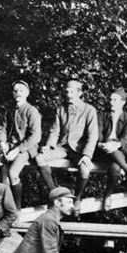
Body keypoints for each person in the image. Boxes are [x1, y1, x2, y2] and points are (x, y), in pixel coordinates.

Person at [35, 79, 99, 213]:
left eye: (71, 91)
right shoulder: (61, 108)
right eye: (66, 91)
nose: (68, 94)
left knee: (85, 170)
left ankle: (78, 197)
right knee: (40, 158)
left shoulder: (89, 110)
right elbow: (55, 130)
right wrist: (49, 145)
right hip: (62, 147)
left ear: (79, 93)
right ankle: (54, 194)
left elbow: (93, 135)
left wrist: (87, 155)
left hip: (79, 149)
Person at [0, 79, 42, 210]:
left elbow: (35, 136)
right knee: (1, 174)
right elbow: (2, 128)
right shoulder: (8, 109)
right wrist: (2, 142)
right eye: (15, 91)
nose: (18, 93)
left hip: (26, 148)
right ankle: (4, 208)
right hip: (10, 145)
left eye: (21, 90)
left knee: (12, 173)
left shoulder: (31, 111)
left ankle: (17, 208)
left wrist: (17, 150)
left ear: (27, 93)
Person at [96, 87, 127, 212]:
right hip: (102, 151)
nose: (111, 102)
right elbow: (97, 133)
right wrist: (102, 144)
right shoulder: (101, 115)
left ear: (122, 102)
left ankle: (107, 195)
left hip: (119, 152)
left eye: (115, 100)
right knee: (110, 147)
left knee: (115, 168)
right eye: (110, 99)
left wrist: (115, 145)